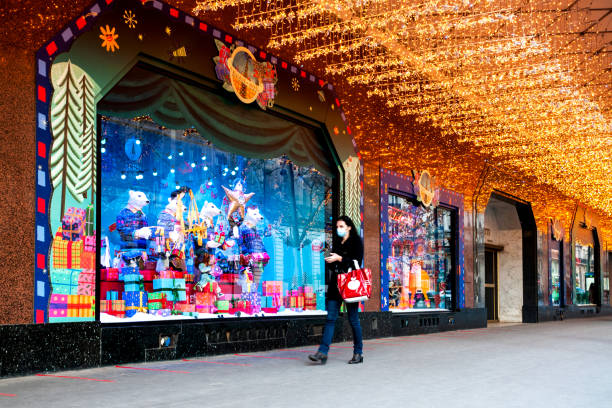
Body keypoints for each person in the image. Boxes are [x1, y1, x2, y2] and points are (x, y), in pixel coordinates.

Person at [309, 215, 364, 365]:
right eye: (337, 227)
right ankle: (322, 352)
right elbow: (334, 266)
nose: (338, 229)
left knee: (353, 319)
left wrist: (339, 258)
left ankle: (358, 352)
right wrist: (328, 256)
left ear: (349, 227)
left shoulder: (356, 241)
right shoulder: (337, 242)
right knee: (330, 318)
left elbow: (356, 262)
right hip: (336, 285)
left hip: (351, 284)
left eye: (341, 226)